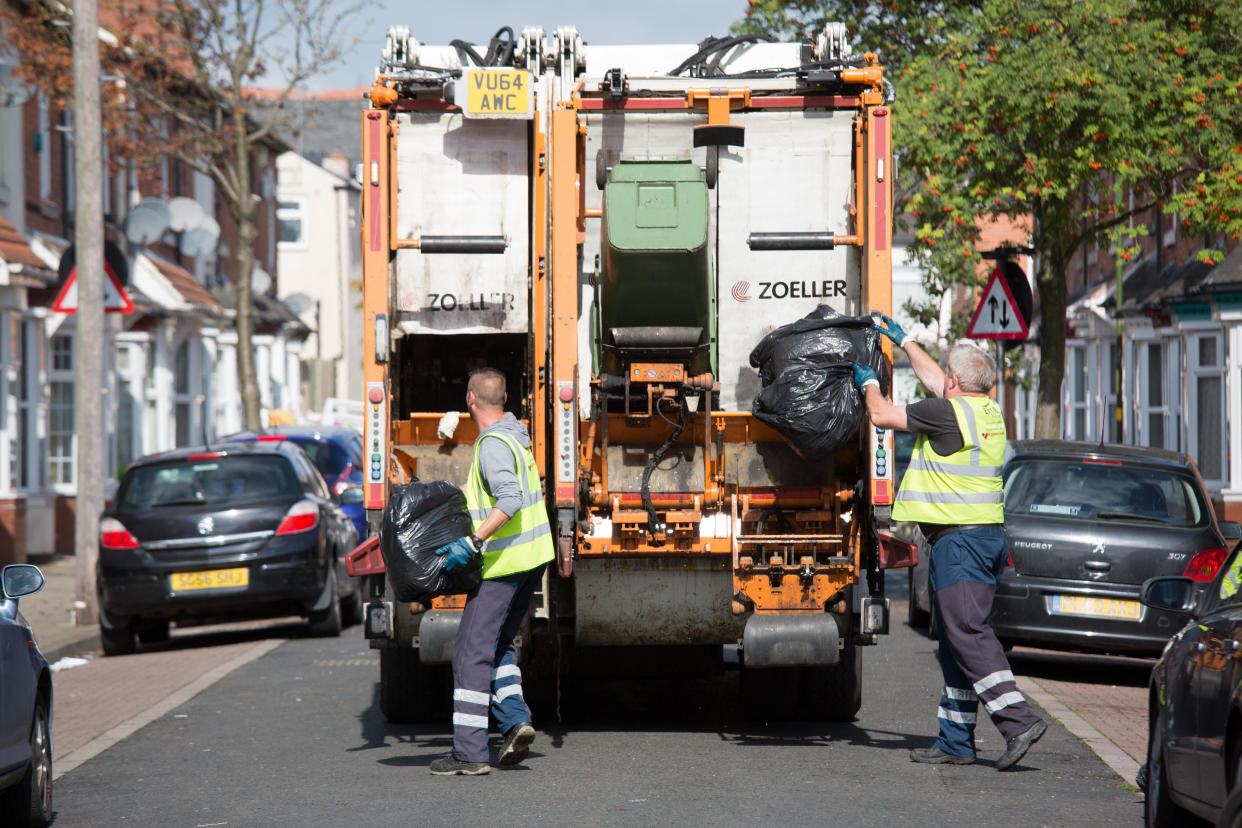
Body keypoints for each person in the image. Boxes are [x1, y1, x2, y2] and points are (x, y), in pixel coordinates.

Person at [853, 317, 1046, 771]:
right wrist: (906, 343)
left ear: (956, 381)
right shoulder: (987, 412)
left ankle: (1017, 720)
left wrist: (867, 384)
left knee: (967, 633)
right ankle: (957, 740)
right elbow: (941, 382)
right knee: (955, 642)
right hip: (982, 538)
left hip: (961, 541)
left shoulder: (945, 413)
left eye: (948, 376)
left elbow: (881, 415)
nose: (944, 379)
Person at [428, 367, 555, 776]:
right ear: (504, 400)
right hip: (531, 560)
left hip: (503, 565)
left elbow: (510, 497)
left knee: (469, 653)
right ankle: (516, 721)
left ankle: (469, 754)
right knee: (499, 643)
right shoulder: (515, 437)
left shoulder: (492, 445)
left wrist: (472, 540)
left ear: (470, 400)